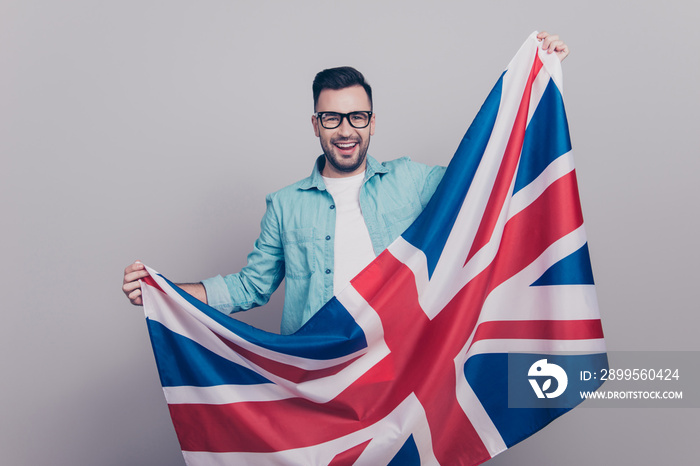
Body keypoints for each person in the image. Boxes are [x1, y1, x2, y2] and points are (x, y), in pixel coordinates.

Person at [123, 32, 570, 334]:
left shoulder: (412, 180)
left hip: (402, 360)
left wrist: (538, 82)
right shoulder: (284, 205)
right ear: (315, 125)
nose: (345, 130)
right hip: (323, 373)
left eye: (357, 117)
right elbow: (249, 288)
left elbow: (486, 176)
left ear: (372, 122)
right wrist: (164, 290)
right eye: (332, 118)